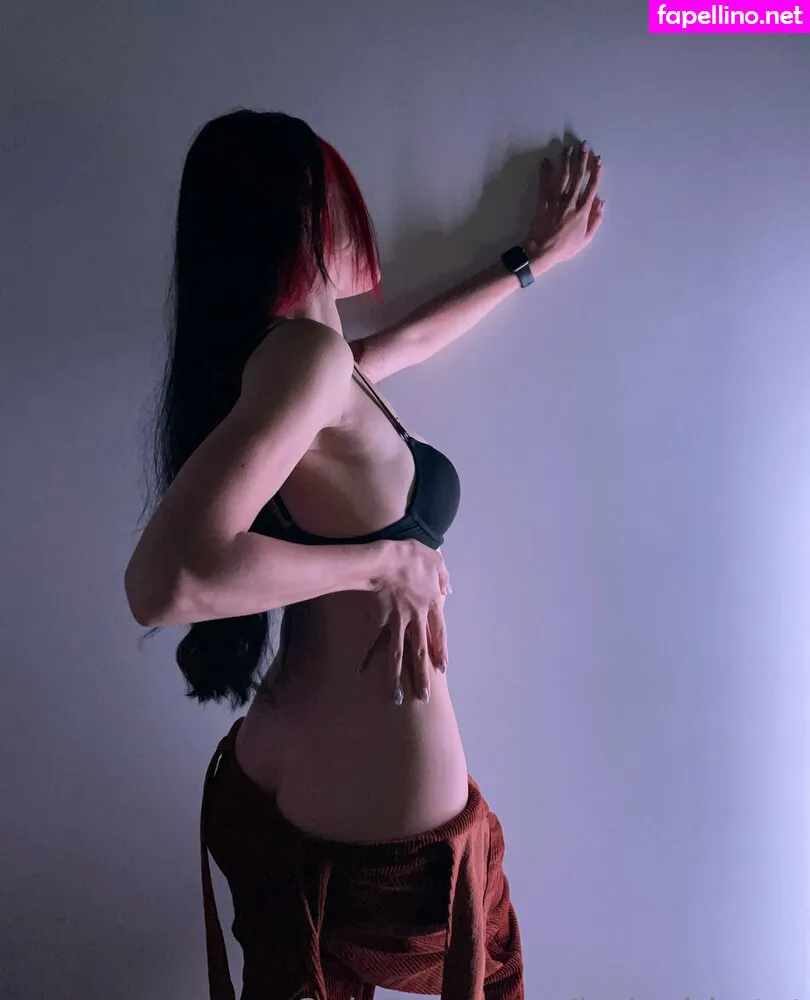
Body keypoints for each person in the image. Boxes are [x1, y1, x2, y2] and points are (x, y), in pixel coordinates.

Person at [124, 108, 604, 1000]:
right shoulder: (304, 361)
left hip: (267, 780)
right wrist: (384, 563)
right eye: (339, 193)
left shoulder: (305, 365)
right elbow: (165, 583)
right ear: (301, 216)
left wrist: (531, 258)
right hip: (376, 828)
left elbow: (411, 342)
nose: (362, 214)